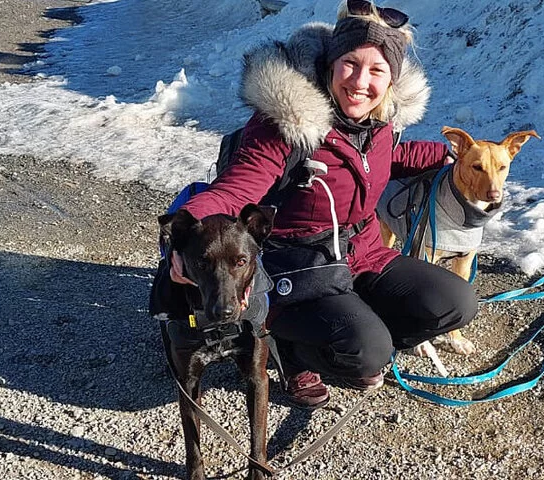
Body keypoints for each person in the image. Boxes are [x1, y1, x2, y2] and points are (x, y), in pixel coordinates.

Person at [171, 0, 477, 408]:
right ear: (330, 63)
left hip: (360, 252)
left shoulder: (378, 123)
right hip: (297, 265)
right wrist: (187, 227)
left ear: (391, 81)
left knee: (455, 303)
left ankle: (353, 331)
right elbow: (237, 187)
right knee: (367, 352)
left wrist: (455, 157)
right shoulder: (284, 126)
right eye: (350, 63)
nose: (360, 81)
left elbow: (387, 158)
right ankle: (291, 352)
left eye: (376, 70)